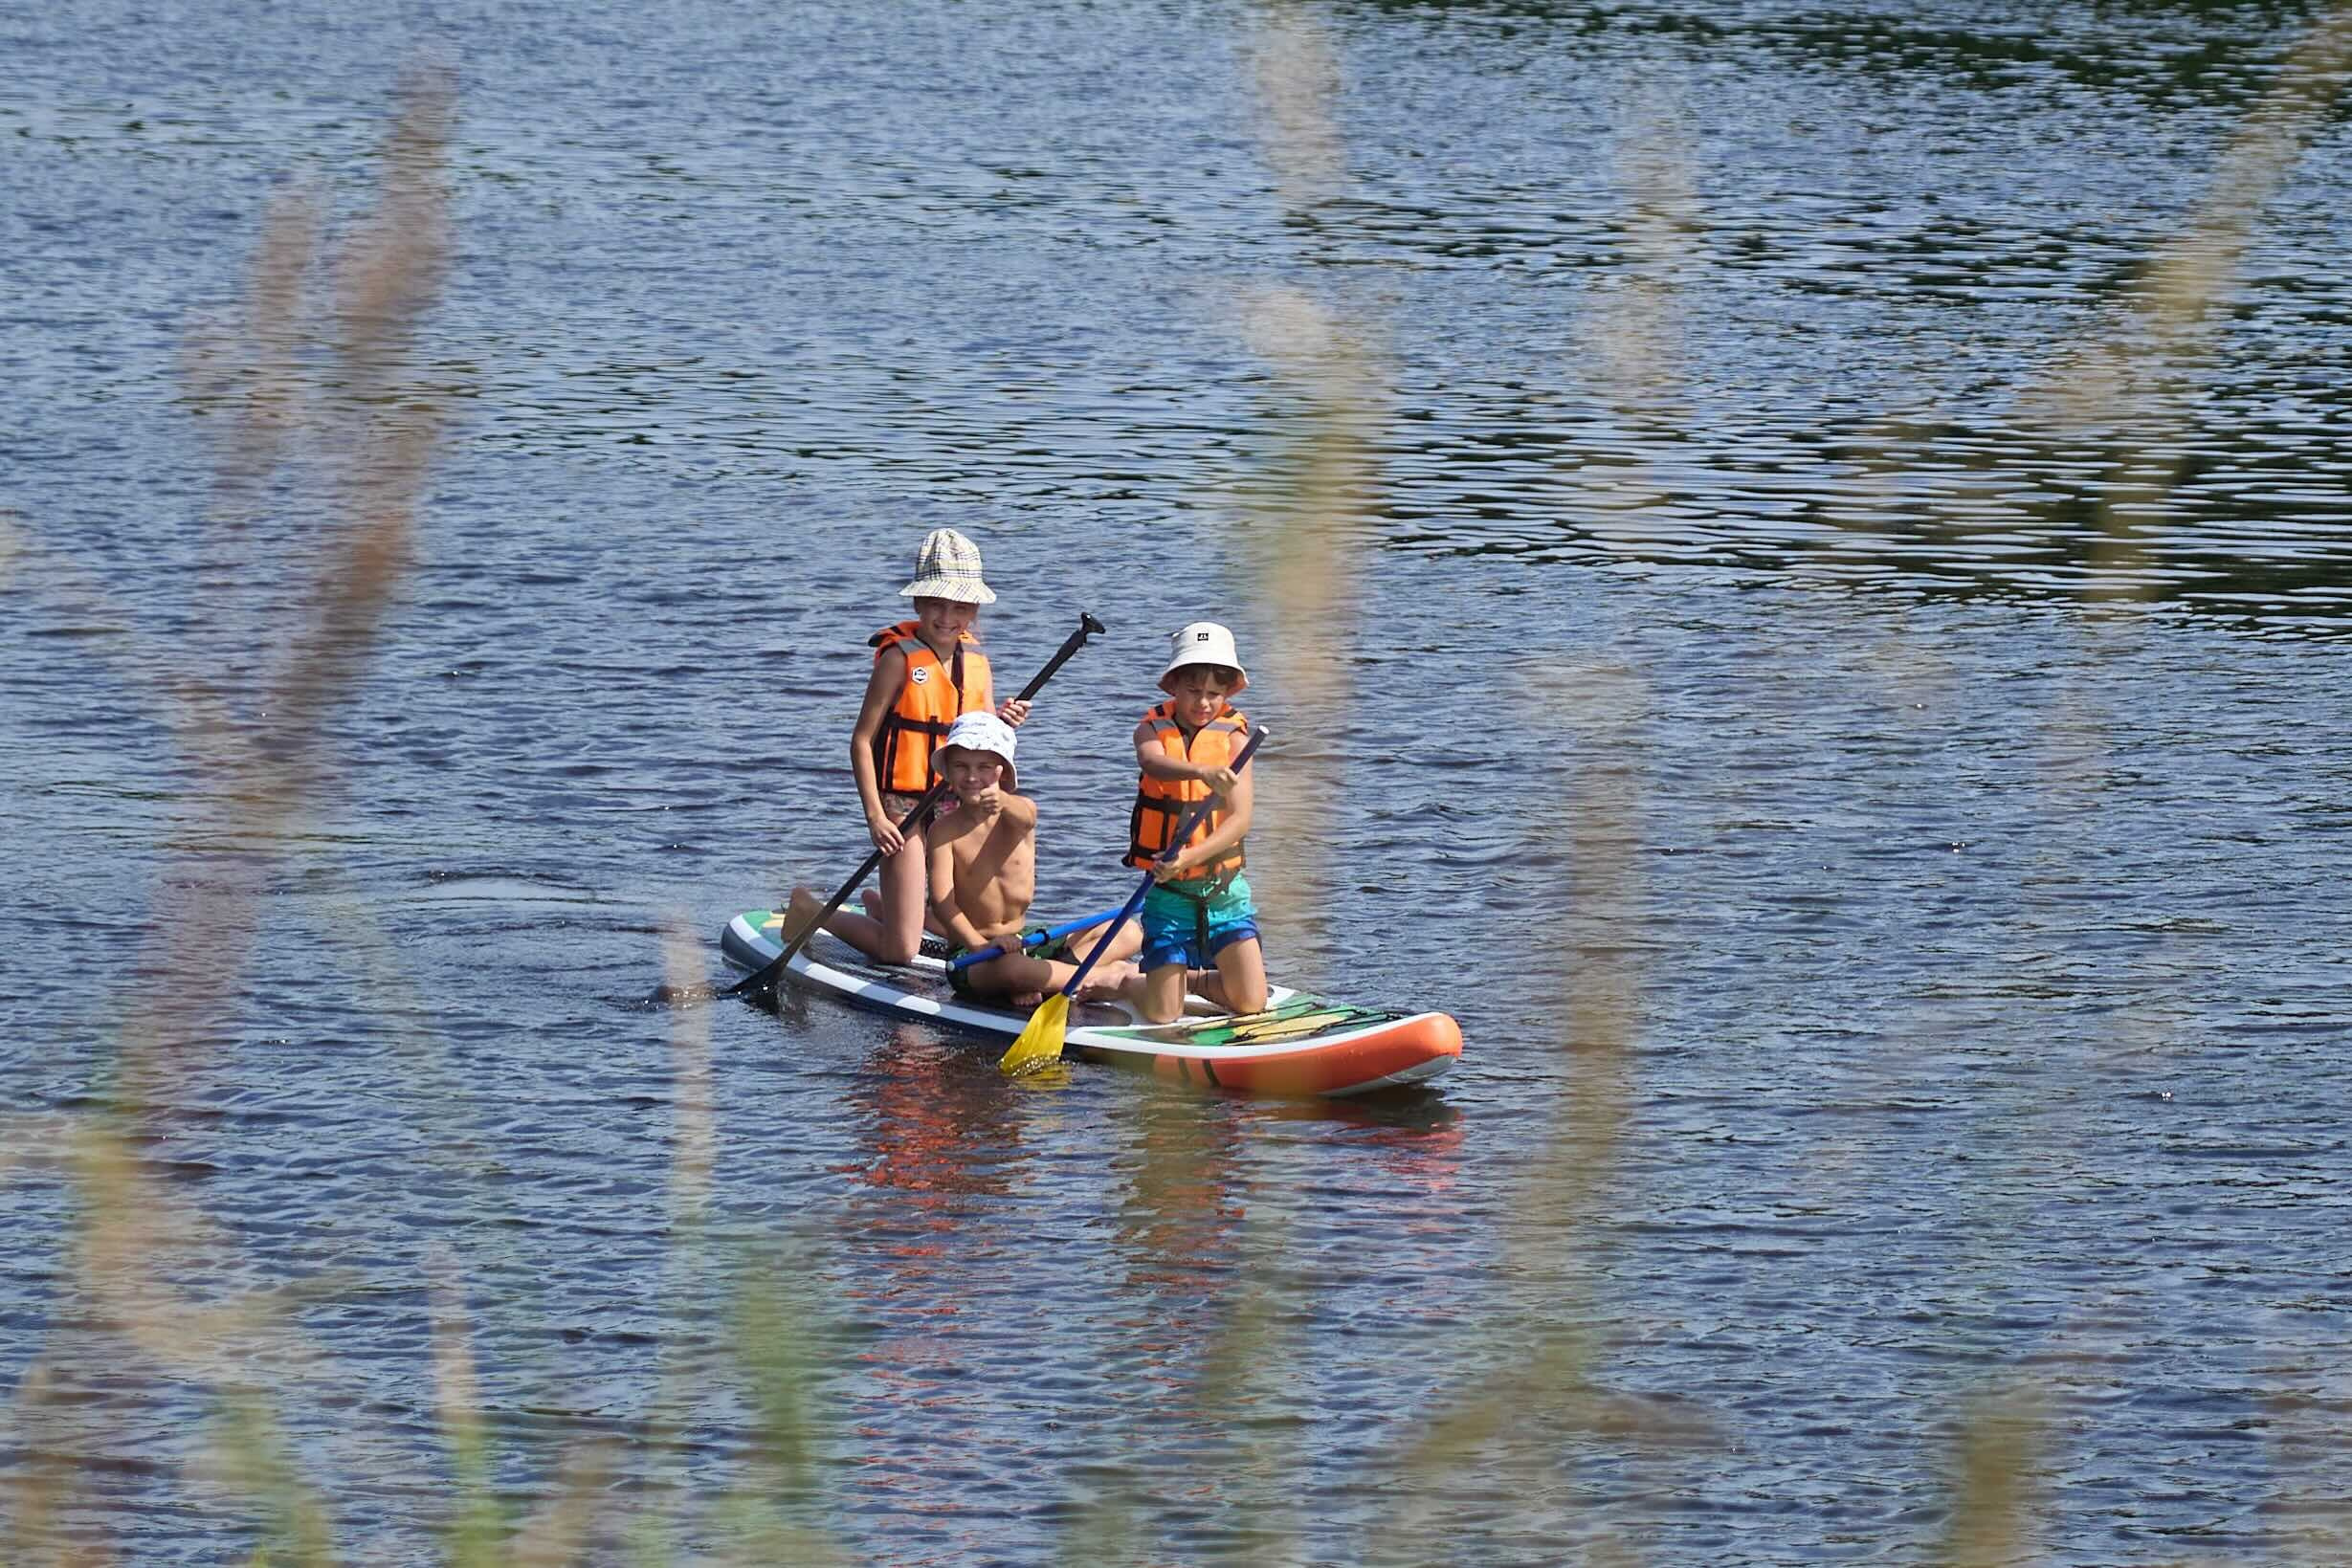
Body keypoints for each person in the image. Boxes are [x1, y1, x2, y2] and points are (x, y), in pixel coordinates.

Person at [786, 529, 1030, 965]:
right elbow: (861, 741)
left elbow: (981, 734)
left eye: (959, 607)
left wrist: (1004, 720)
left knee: (971, 914)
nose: (947, 616)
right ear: (918, 604)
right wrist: (876, 815)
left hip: (957, 803)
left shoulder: (977, 660)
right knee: (900, 951)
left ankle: (888, 906)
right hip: (902, 808)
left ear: (974, 610)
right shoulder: (898, 658)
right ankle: (811, 911)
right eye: (936, 603)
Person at [921, 712, 1141, 1005]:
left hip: (1023, 940)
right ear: (947, 771)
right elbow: (942, 903)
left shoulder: (1019, 811)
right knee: (1014, 968)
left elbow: (1026, 816)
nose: (972, 777)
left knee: (1128, 931)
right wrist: (978, 944)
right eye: (961, 767)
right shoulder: (942, 830)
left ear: (1001, 771)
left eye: (983, 767)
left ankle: (1048, 979)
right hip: (973, 955)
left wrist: (1004, 801)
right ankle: (1103, 978)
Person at [1121, 622, 1267, 1024]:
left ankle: (1194, 981)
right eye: (1193, 691)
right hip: (1169, 894)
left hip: (1224, 891)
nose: (1203, 703)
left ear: (1227, 693)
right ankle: (1128, 982)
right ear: (1174, 687)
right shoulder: (1150, 728)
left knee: (1252, 1003)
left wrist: (1191, 857)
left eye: (1214, 694)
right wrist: (1201, 771)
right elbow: (1152, 762)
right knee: (1162, 1015)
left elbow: (1240, 820)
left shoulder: (1235, 739)